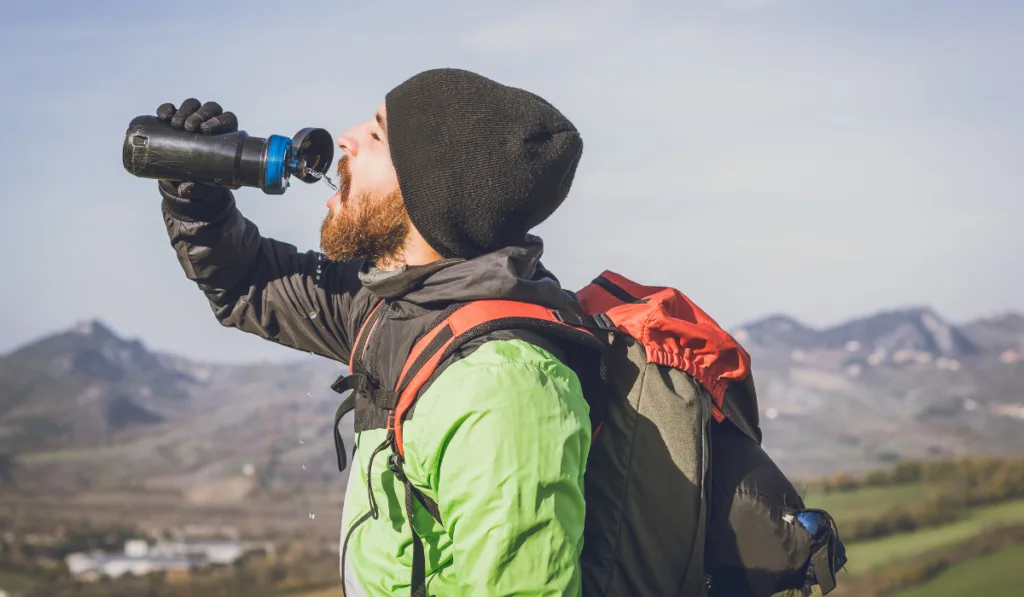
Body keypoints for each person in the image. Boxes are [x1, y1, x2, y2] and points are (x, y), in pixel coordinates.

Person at [157, 68, 591, 597]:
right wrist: (195, 202)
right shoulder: (392, 309)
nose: (346, 138)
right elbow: (250, 285)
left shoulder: (503, 386)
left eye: (379, 134)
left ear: (432, 193)